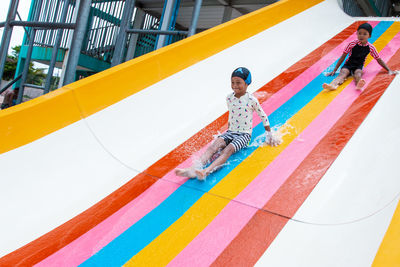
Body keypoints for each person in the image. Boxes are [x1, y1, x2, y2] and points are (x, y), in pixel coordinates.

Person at [175, 67, 281, 180]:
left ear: (247, 83)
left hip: (244, 135)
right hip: (231, 132)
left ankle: (206, 171)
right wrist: (227, 132)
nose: (235, 85)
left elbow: (263, 116)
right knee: (213, 147)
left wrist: (269, 134)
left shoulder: (251, 100)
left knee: (227, 151)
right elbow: (232, 113)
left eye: (238, 82)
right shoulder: (229, 98)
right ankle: (192, 170)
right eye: (233, 82)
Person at [323, 23, 397, 91]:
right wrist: (335, 69)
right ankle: (333, 85)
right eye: (359, 33)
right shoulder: (352, 44)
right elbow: (343, 56)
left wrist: (388, 70)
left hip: (358, 66)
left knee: (358, 74)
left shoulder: (371, 47)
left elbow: (379, 59)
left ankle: (359, 84)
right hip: (348, 64)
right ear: (357, 34)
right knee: (343, 73)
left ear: (369, 36)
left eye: (364, 34)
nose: (361, 35)